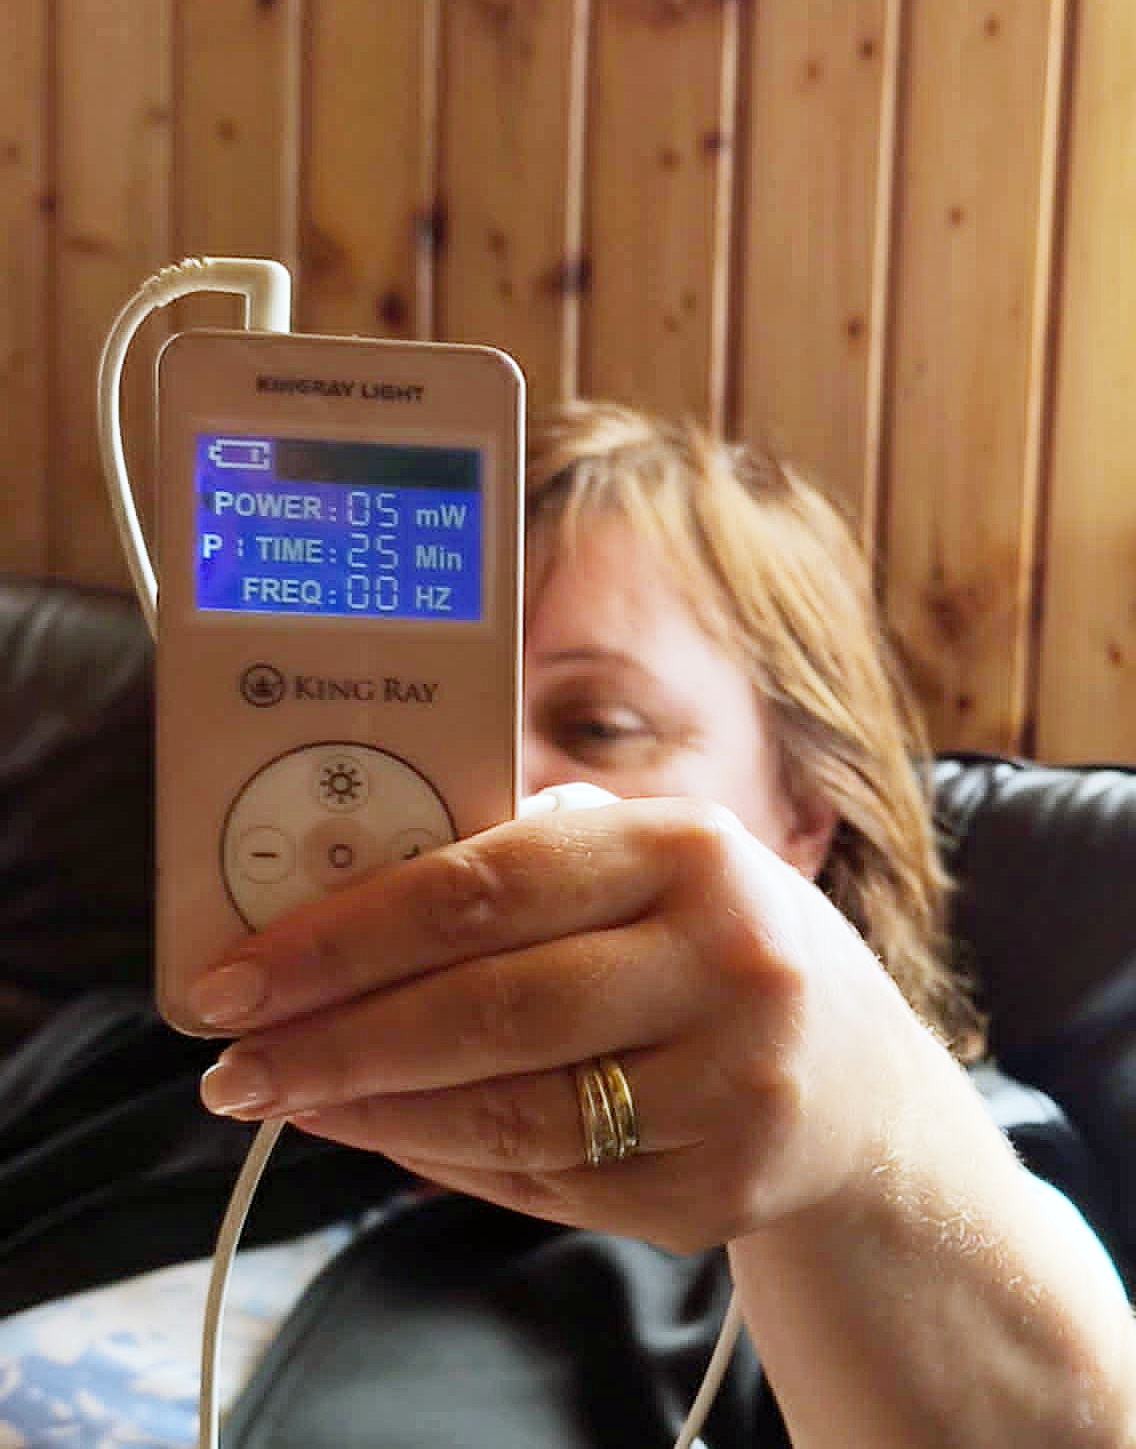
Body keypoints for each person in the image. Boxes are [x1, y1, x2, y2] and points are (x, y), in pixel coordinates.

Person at [1, 401, 1132, 1448]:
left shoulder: (925, 1173)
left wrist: (870, 1162)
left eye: (597, 725)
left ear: (804, 815)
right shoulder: (143, 1063)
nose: (486, 787)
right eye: (427, 710)